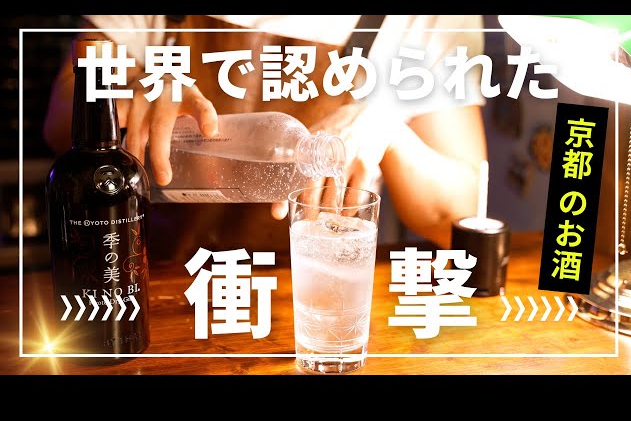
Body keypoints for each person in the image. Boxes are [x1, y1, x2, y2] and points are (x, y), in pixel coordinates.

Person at [44, 15, 487, 258]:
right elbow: (59, 121)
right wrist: (131, 87)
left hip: (310, 304)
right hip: (150, 283)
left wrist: (385, 127)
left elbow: (461, 218)